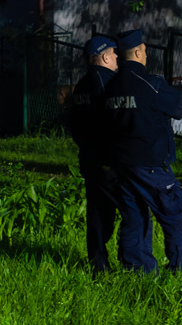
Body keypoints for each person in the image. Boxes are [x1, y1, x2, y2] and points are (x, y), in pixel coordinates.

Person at [105, 29, 182, 272]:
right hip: (151, 164)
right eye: (144, 51)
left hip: (123, 165)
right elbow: (180, 107)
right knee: (173, 214)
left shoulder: (110, 87)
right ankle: (178, 270)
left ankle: (136, 268)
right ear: (139, 52)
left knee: (134, 215)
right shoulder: (150, 84)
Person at [71, 36, 119, 274]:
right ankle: (133, 263)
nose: (118, 57)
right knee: (129, 210)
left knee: (97, 213)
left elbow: (73, 125)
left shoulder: (81, 85)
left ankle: (98, 264)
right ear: (105, 56)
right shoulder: (109, 83)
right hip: (110, 162)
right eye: (115, 53)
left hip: (89, 159)